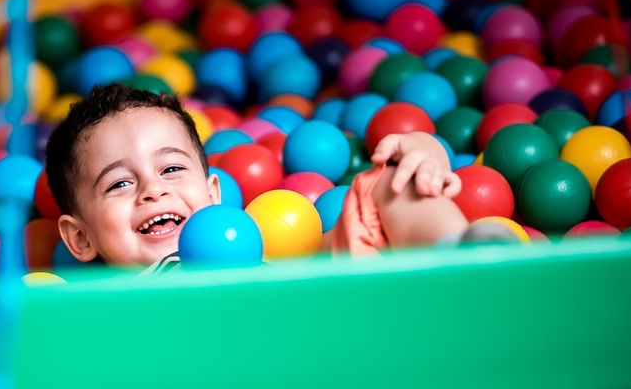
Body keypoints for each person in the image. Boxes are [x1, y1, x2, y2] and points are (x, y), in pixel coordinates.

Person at [44, 83, 472, 273]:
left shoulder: (258, 252)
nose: (153, 190)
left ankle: (473, 260)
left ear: (213, 195)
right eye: (120, 183)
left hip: (324, 332)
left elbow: (327, 256)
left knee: (384, 186)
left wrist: (422, 152)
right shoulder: (109, 306)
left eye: (172, 169)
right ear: (81, 238)